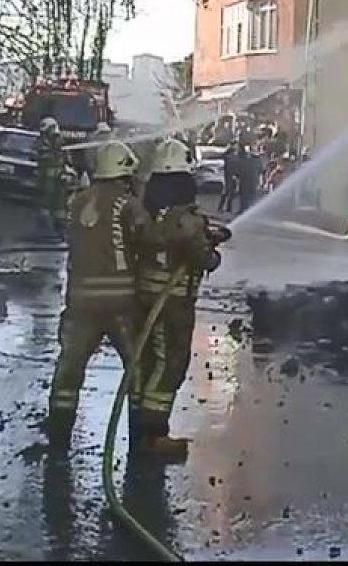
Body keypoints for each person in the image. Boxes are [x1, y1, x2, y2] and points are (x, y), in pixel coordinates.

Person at [42, 140, 146, 454]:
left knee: (69, 368)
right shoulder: (128, 205)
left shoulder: (76, 202)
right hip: (121, 306)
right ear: (124, 173)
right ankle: (139, 439)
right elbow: (147, 239)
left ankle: (59, 435)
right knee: (137, 368)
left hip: (80, 304)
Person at [131, 138, 229, 460]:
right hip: (173, 305)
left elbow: (166, 243)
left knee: (148, 360)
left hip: (144, 298)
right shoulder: (188, 219)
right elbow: (205, 260)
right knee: (171, 363)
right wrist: (210, 248)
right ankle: (153, 433)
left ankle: (140, 426)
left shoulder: (145, 213)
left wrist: (207, 236)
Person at [36, 116, 69, 236]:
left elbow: (66, 158)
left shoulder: (59, 140)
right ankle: (45, 225)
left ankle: (59, 225)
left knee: (59, 199)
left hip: (57, 175)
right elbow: (39, 154)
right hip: (46, 175)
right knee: (46, 198)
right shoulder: (42, 141)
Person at [218, 141, 240, 213]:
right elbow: (223, 155)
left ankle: (228, 208)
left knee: (232, 193)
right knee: (226, 192)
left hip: (234, 175)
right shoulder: (228, 157)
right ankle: (221, 207)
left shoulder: (237, 157)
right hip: (228, 176)